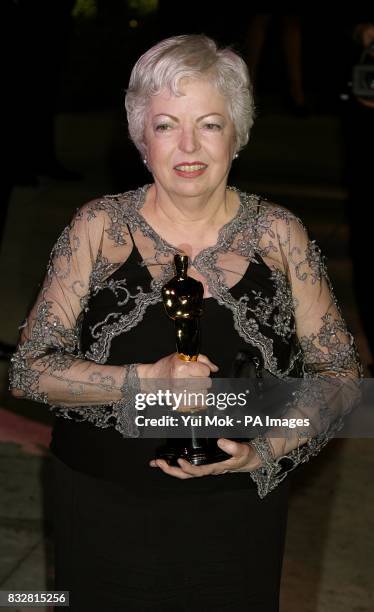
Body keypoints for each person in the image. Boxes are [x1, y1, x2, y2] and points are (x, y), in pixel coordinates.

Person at [9, 35, 360, 611]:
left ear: (238, 133)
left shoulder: (278, 235)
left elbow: (340, 375)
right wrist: (145, 379)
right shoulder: (98, 228)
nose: (189, 146)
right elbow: (28, 370)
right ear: (140, 137)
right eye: (167, 124)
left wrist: (266, 449)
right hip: (102, 506)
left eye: (211, 124)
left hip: (235, 512)